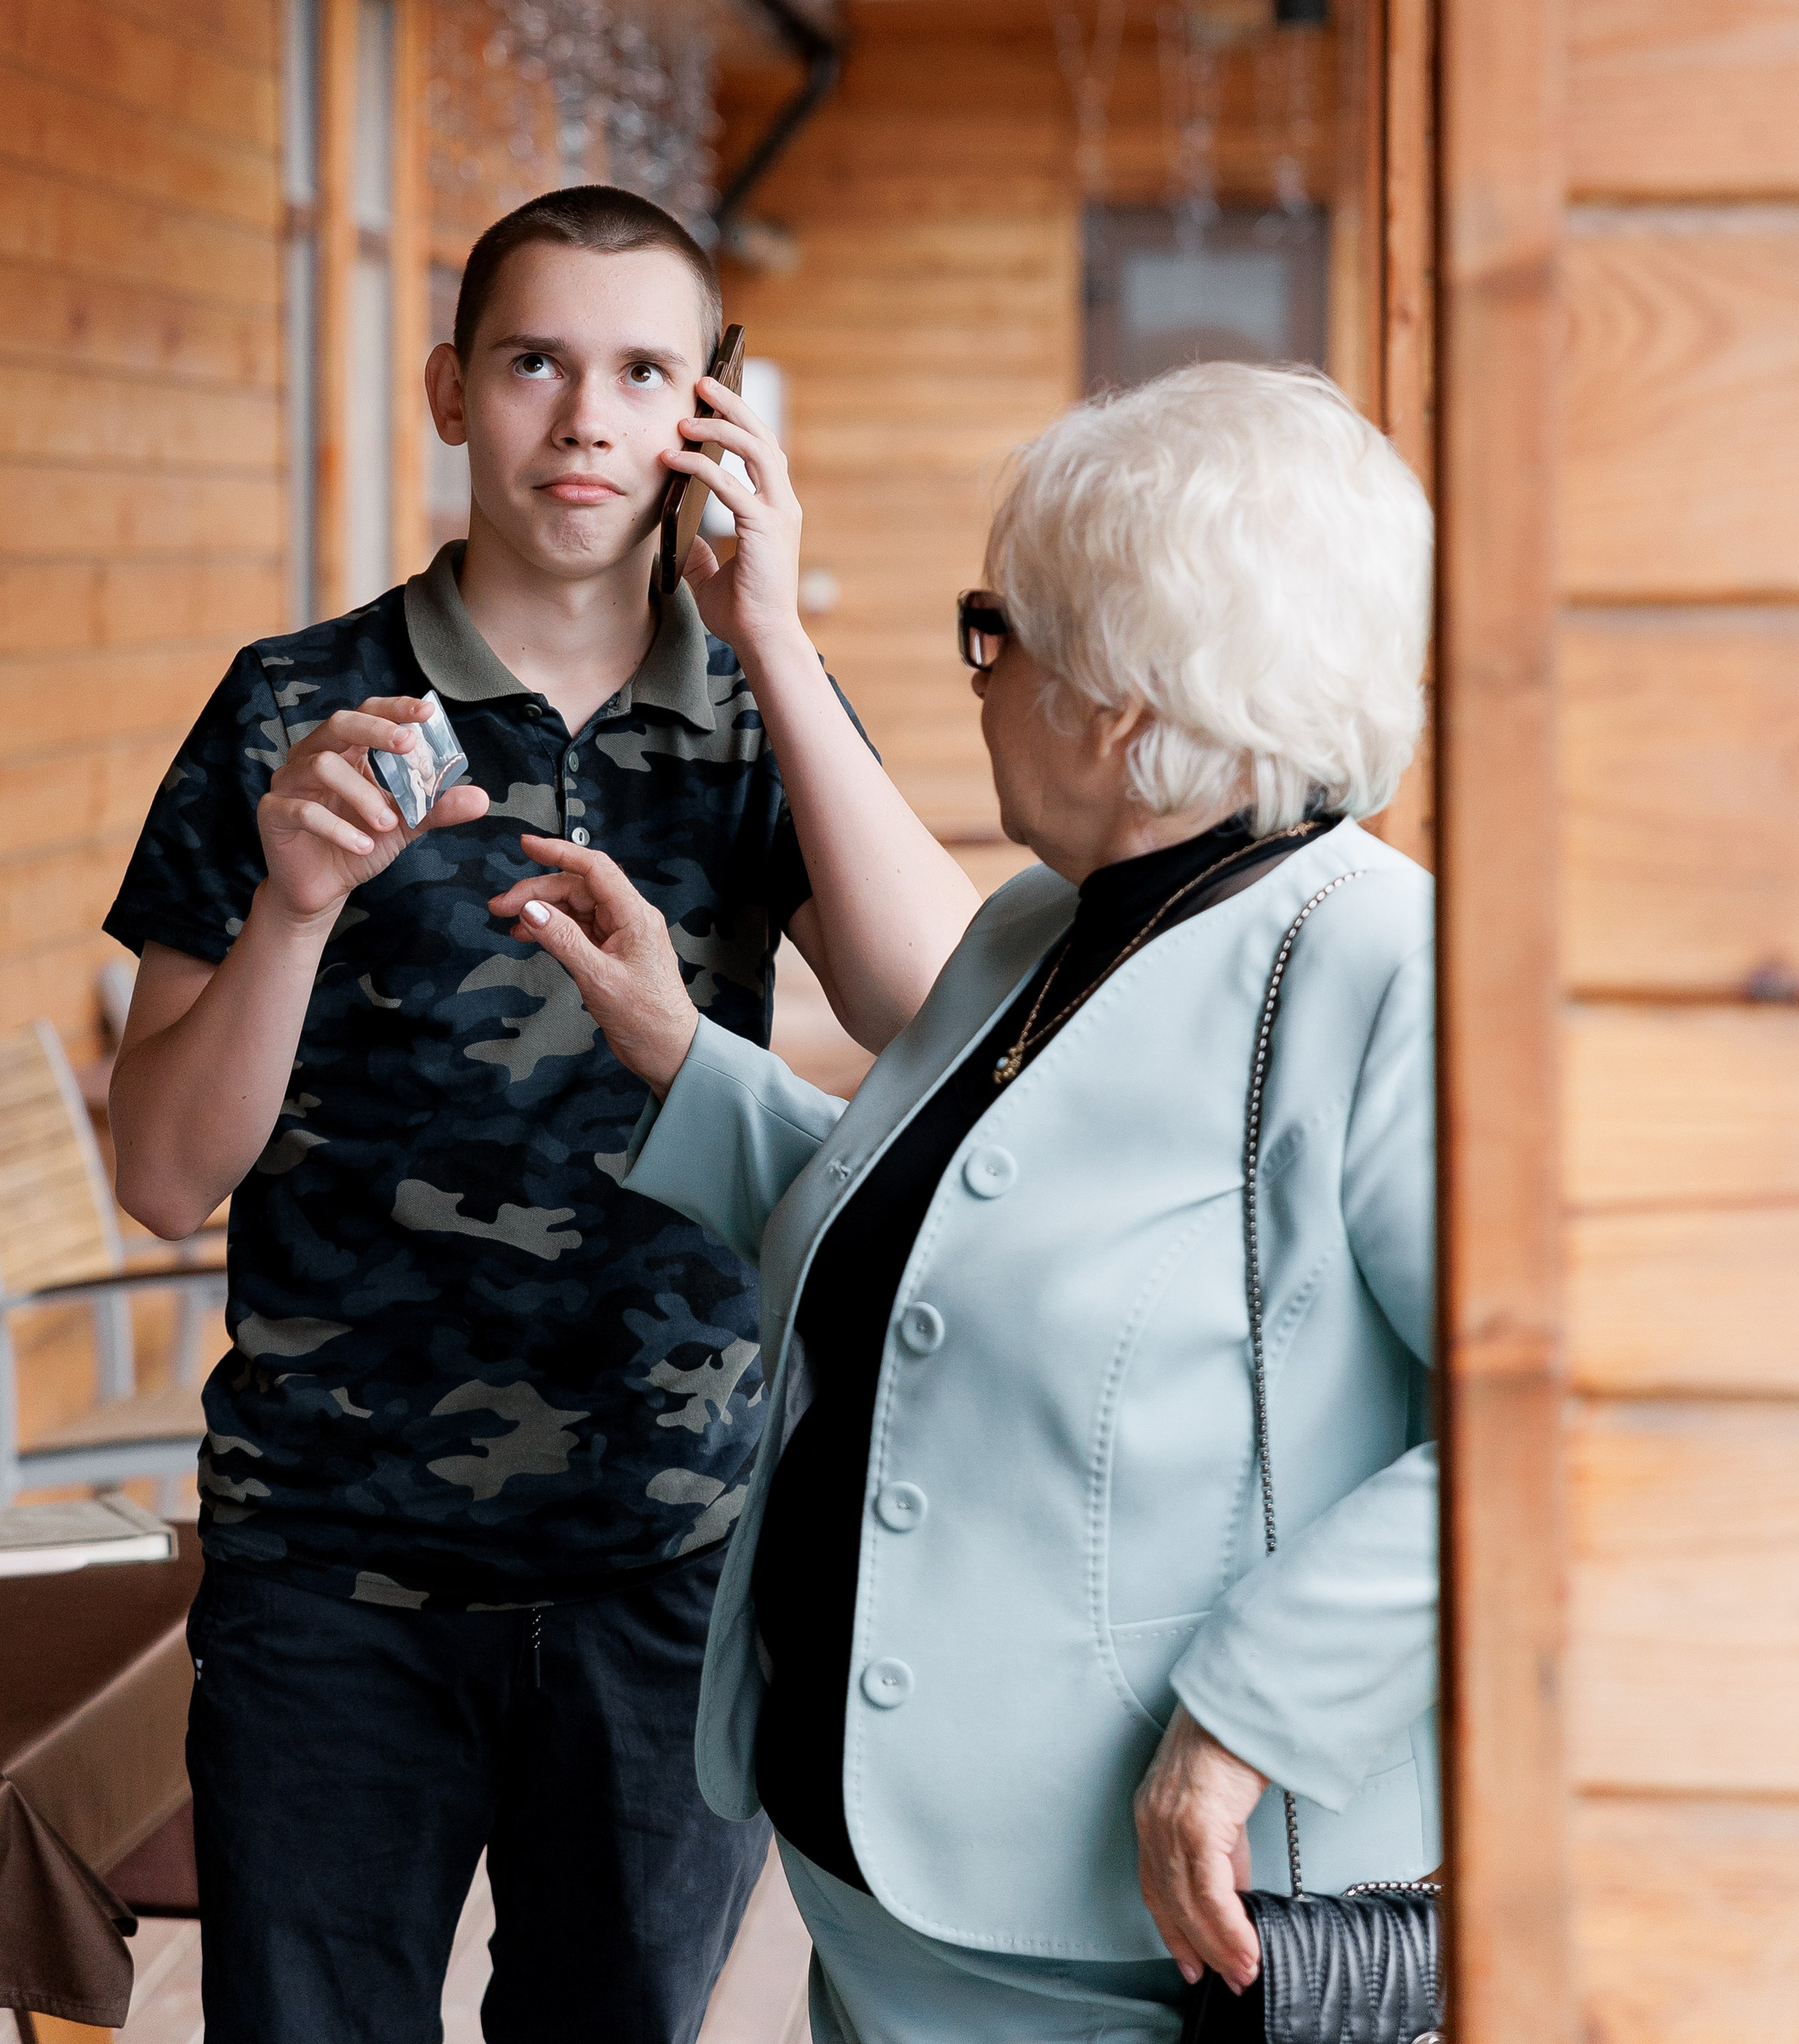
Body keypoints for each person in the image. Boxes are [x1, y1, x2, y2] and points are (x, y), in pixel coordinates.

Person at [105, 185, 980, 2044]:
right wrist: (292, 909)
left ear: (709, 415)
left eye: (642, 371)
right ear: (449, 391)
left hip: (669, 1568)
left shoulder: (752, 714)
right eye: (532, 362)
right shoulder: (290, 709)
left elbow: (930, 1009)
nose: (584, 417)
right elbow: (165, 1177)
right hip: (327, 1576)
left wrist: (773, 633)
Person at [496, 362, 1437, 2044]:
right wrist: (682, 1055)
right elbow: (938, 1261)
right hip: (876, 1888)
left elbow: (1531, 1431)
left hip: (1124, 1933)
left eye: (994, 634)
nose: (979, 680)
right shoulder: (1034, 926)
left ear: (1122, 699)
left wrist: (1247, 1715)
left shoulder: (1377, 965)